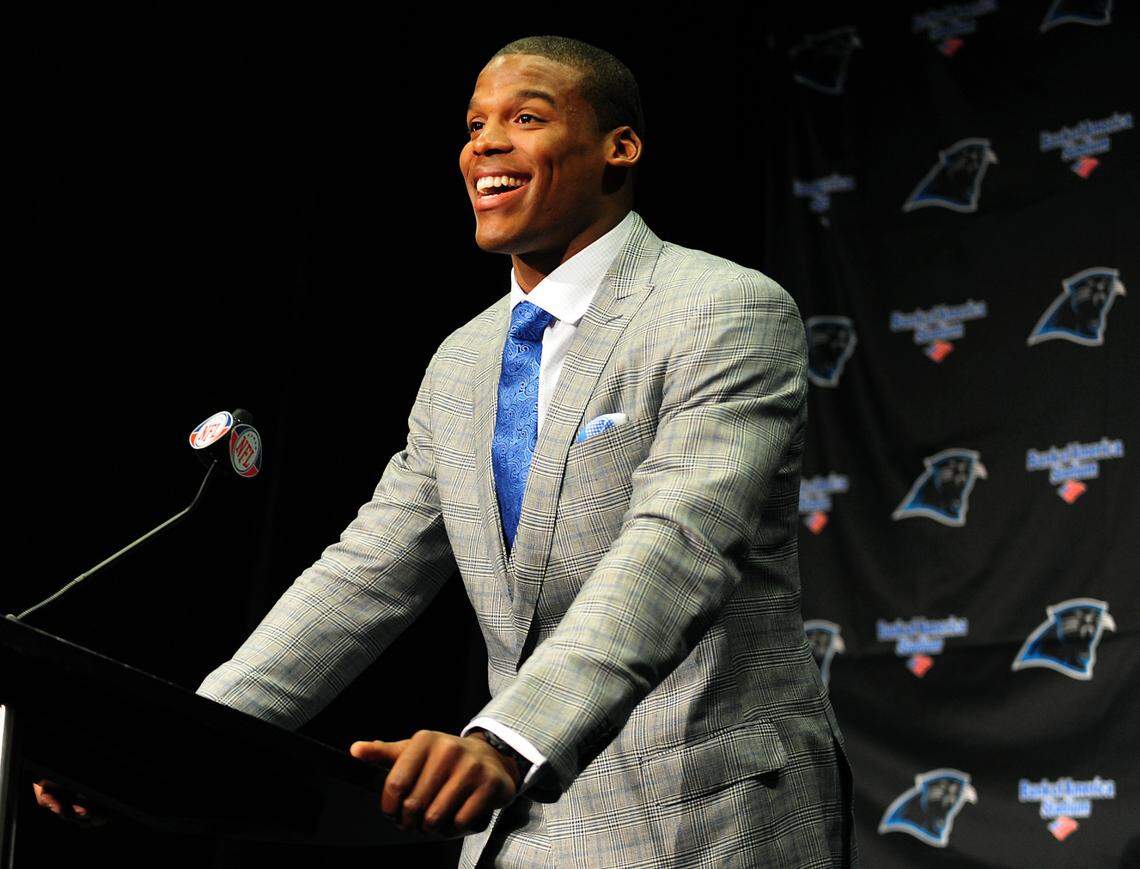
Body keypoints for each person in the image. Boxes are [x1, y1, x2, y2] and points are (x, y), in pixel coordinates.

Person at [37, 35, 856, 867]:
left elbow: (677, 545)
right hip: (513, 837)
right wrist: (178, 742)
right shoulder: (464, 360)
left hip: (698, 819)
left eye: (525, 117)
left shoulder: (722, 310)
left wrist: (505, 740)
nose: (484, 144)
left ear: (622, 146)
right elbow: (367, 573)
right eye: (473, 124)